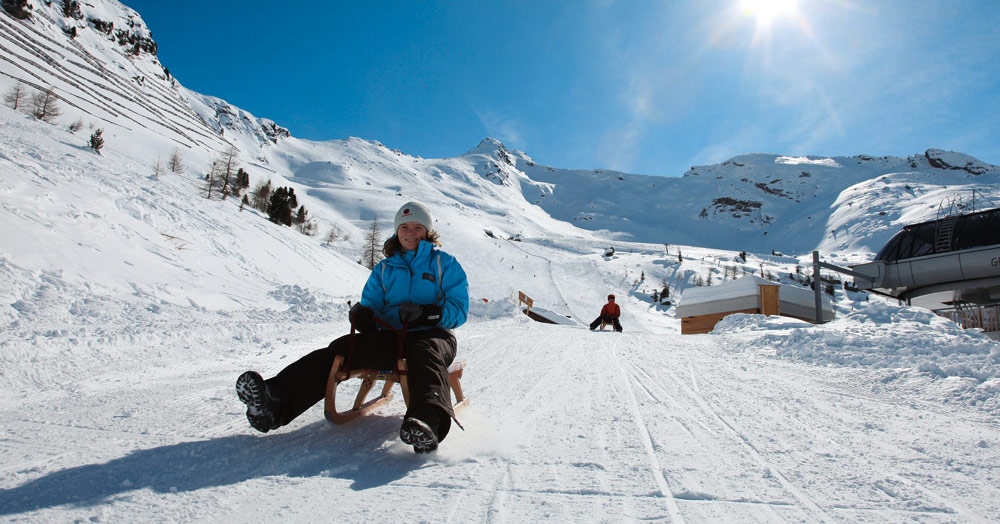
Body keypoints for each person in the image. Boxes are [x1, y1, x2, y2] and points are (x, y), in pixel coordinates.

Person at [236, 201, 470, 453]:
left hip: (435, 335)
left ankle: (427, 422)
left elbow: (459, 308)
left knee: (424, 353)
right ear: (396, 231)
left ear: (428, 231)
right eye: (404, 227)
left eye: (417, 227)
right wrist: (363, 317)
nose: (410, 233)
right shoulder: (384, 269)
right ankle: (274, 402)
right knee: (341, 349)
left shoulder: (444, 264)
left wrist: (428, 314)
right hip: (392, 337)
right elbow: (371, 306)